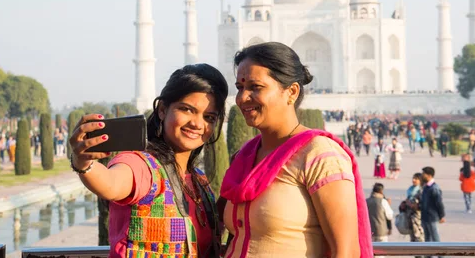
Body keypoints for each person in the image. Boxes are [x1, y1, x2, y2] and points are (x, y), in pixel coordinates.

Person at [220, 42, 372, 258]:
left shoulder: (318, 154)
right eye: (239, 87)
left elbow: (346, 251)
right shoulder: (245, 156)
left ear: (291, 92)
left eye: (255, 87)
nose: (242, 98)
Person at [69, 64, 228, 258]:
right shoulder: (143, 166)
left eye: (209, 117)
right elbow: (111, 183)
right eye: (186, 109)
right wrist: (83, 163)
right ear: (162, 110)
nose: (197, 123)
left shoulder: (199, 181)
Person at [420, 167, 445, 247]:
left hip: (431, 217)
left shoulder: (434, 188)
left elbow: (439, 203)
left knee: (435, 239)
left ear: (429, 175)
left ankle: (441, 255)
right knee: (427, 239)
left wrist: (441, 216)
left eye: (424, 174)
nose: (422, 176)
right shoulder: (426, 187)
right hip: (425, 216)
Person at [403, 173, 424, 244]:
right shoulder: (411, 189)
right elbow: (408, 198)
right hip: (409, 214)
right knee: (412, 234)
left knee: (418, 233)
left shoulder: (421, 190)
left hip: (417, 215)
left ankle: (420, 251)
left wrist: (412, 204)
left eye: (416, 179)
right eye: (413, 178)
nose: (413, 180)